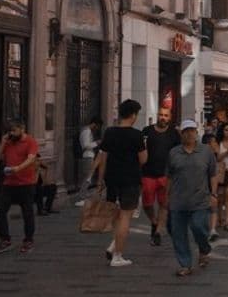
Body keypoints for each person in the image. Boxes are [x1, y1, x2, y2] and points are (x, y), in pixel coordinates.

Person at [93, 99, 147, 267]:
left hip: (112, 179)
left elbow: (103, 157)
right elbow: (143, 159)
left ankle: (113, 246)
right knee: (125, 217)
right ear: (133, 115)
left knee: (116, 215)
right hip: (130, 179)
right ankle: (117, 256)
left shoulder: (109, 132)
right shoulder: (137, 135)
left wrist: (100, 180)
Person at [166, 119, 218, 278]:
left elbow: (213, 174)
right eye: (186, 131)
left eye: (192, 131)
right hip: (178, 201)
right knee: (178, 234)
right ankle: (185, 264)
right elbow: (169, 176)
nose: (189, 134)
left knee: (199, 228)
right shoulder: (174, 153)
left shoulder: (206, 151)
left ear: (197, 132)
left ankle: (204, 249)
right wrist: (166, 198)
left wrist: (214, 194)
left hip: (200, 200)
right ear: (181, 134)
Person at [0, 120, 39, 254]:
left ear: (22, 128)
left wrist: (17, 168)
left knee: (27, 213)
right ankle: (5, 239)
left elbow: (31, 158)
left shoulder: (30, 141)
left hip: (26, 184)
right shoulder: (8, 142)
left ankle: (28, 240)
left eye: (14, 130)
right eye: (10, 131)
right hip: (9, 184)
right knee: (0, 210)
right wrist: (2, 142)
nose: (11, 133)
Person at [141, 106, 181, 246]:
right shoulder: (147, 131)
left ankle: (158, 232)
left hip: (166, 175)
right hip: (148, 173)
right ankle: (154, 221)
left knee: (164, 204)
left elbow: (178, 153)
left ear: (169, 117)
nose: (163, 117)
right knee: (147, 203)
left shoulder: (174, 134)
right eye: (161, 115)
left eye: (166, 115)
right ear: (157, 116)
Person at [76, 117, 102, 198]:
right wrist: (96, 143)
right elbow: (86, 145)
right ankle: (82, 193)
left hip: (89, 155)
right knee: (88, 176)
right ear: (94, 124)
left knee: (88, 175)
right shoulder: (86, 131)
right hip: (87, 156)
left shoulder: (88, 131)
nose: (97, 129)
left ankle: (83, 192)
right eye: (97, 126)